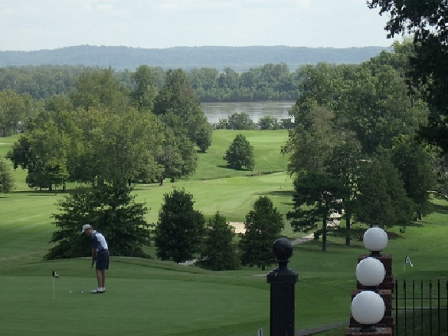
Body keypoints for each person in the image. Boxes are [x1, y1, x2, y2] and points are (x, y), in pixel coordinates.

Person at [81, 224, 109, 294]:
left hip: (102, 252)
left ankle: (100, 288)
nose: (85, 233)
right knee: (102, 270)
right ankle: (102, 287)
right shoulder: (98, 233)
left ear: (88, 230)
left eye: (85, 232)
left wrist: (93, 258)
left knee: (98, 270)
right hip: (106, 252)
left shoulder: (93, 236)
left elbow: (94, 249)